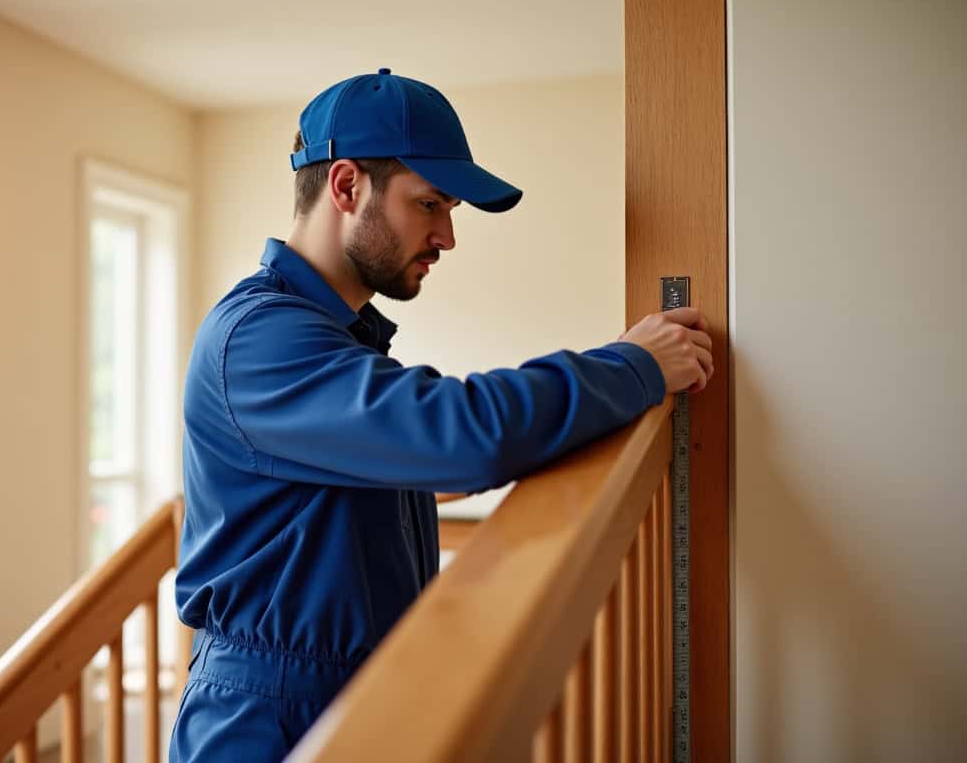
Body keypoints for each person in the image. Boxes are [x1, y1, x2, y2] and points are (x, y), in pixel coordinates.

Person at [168, 68, 713, 761]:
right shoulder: (261, 337)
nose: (448, 236)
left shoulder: (335, 334)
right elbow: (461, 434)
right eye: (429, 205)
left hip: (345, 695)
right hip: (266, 722)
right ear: (345, 186)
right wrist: (634, 365)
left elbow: (424, 469)